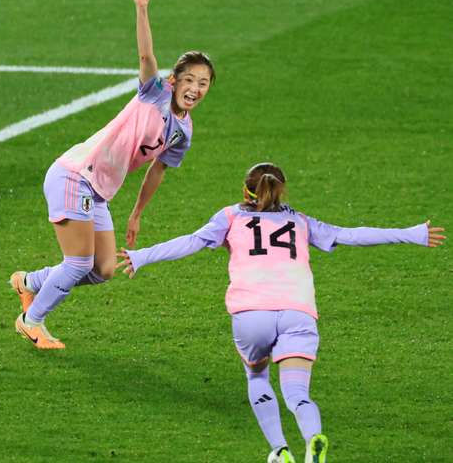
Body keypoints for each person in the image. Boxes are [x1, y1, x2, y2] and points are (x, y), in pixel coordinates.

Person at [116, 162, 445, 463]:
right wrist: (411, 233)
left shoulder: (230, 217)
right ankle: (312, 437)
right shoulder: (300, 221)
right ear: (281, 191)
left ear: (245, 191)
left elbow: (191, 242)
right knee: (298, 393)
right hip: (297, 313)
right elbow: (350, 235)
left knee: (257, 376)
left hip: (252, 315)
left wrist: (142, 256)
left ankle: (279, 450)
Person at [9, 0, 215, 349]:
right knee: (77, 262)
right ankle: (31, 320)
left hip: (99, 190)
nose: (196, 88)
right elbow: (146, 58)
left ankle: (30, 282)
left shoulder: (183, 131)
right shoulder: (155, 95)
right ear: (174, 80)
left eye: (203, 83)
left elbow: (159, 170)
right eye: (190, 79)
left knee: (102, 270)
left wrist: (136, 214)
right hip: (75, 174)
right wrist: (141, 8)